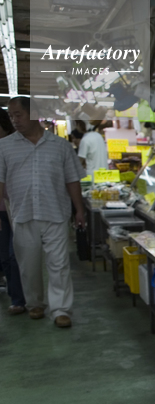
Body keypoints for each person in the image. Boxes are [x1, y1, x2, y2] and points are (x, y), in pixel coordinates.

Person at [0, 96, 86, 328]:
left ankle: (60, 309)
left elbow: (72, 180)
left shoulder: (60, 146)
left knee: (59, 264)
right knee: (28, 265)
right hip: (22, 213)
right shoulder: (4, 147)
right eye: (11, 116)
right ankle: (35, 303)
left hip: (55, 212)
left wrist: (79, 210)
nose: (14, 120)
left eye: (18, 115)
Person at [0, 107, 25, 314]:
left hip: (16, 207)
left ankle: (19, 299)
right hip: (2, 211)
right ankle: (15, 295)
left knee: (14, 255)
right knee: (5, 257)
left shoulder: (15, 145)